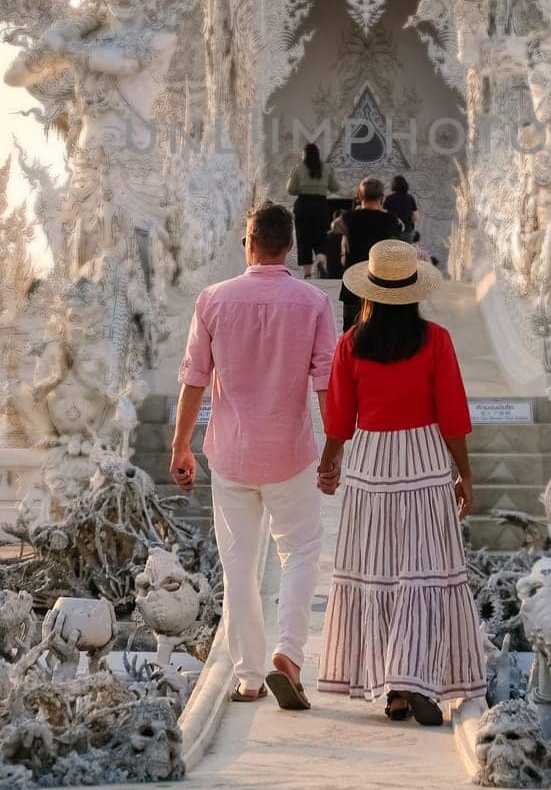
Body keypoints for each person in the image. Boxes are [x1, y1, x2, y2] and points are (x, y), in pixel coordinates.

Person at [171, 201, 336, 709]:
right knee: (301, 551)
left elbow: (195, 379)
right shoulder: (312, 302)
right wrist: (333, 450)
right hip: (290, 452)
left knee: (238, 564)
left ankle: (246, 676)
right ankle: (287, 654)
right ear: (290, 246)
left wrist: (181, 446)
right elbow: (327, 384)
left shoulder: (213, 300)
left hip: (232, 454)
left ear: (249, 242)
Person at [316, 238, 487, 724]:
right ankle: (413, 676)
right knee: (425, 568)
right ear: (414, 292)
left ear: (369, 292)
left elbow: (338, 420)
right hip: (423, 462)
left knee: (378, 569)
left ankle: (391, 690)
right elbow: (452, 415)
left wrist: (329, 466)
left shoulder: (351, 344)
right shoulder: (436, 341)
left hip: (370, 463)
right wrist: (465, 474)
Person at [337, 177, 403, 331]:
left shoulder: (348, 218)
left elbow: (335, 226)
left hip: (353, 281)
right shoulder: (391, 220)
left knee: (351, 329)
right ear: (382, 197)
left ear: (359, 196)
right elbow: (401, 227)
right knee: (380, 328)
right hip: (380, 282)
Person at [286, 142, 339, 279]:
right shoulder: (327, 168)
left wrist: (302, 188)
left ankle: (308, 273)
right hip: (321, 205)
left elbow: (291, 190)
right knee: (320, 235)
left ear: (304, 155)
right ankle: (321, 261)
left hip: (303, 205)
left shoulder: (297, 169)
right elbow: (335, 187)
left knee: (304, 238)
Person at [384, 174, 419, 242]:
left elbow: (384, 214)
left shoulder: (389, 198)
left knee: (392, 252)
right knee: (406, 252)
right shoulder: (410, 198)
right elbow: (415, 217)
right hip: (407, 231)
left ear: (393, 186)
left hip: (392, 231)